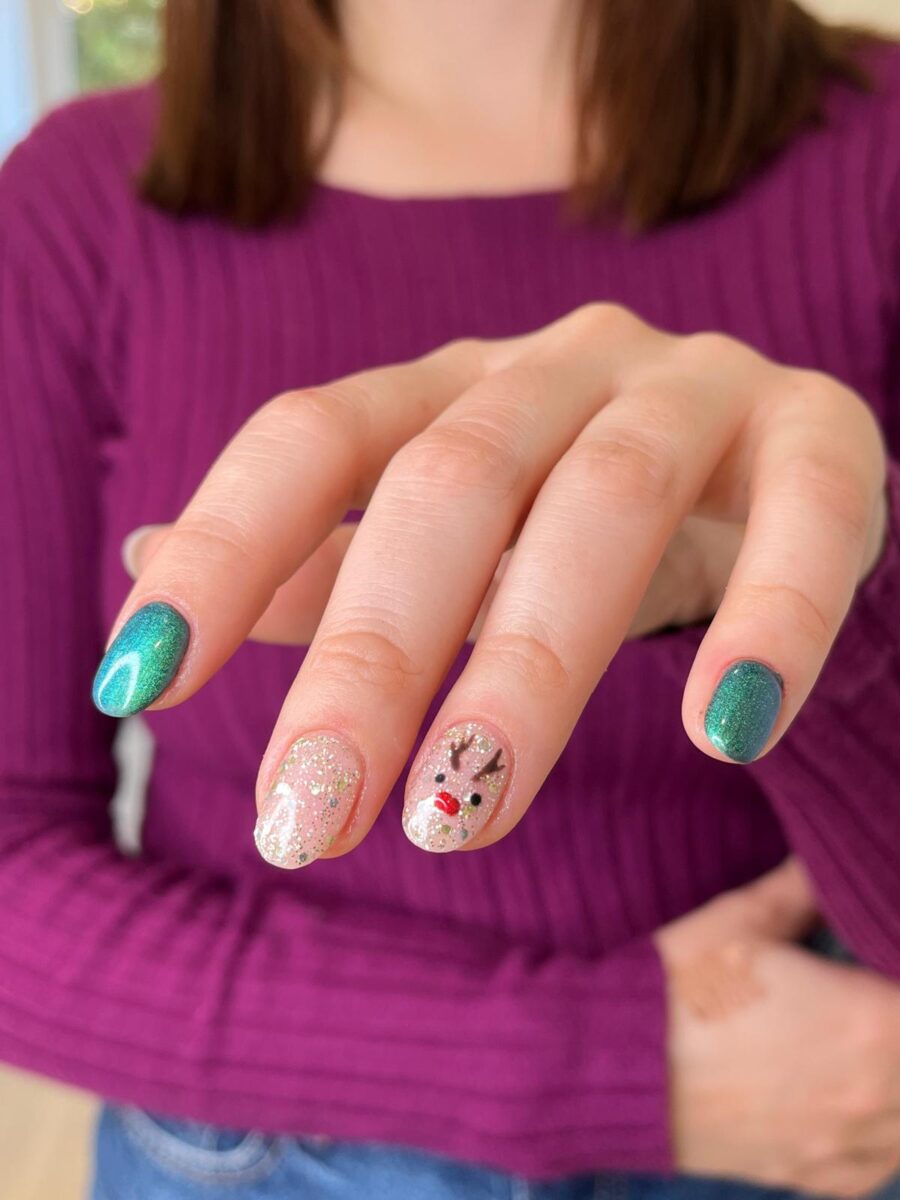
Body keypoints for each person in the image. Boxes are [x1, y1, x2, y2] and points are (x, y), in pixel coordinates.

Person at [1, 2, 899, 1197]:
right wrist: (592, 1060)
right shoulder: (72, 199)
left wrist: (854, 602)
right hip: (258, 1152)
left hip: (814, 1111)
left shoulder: (878, 147)